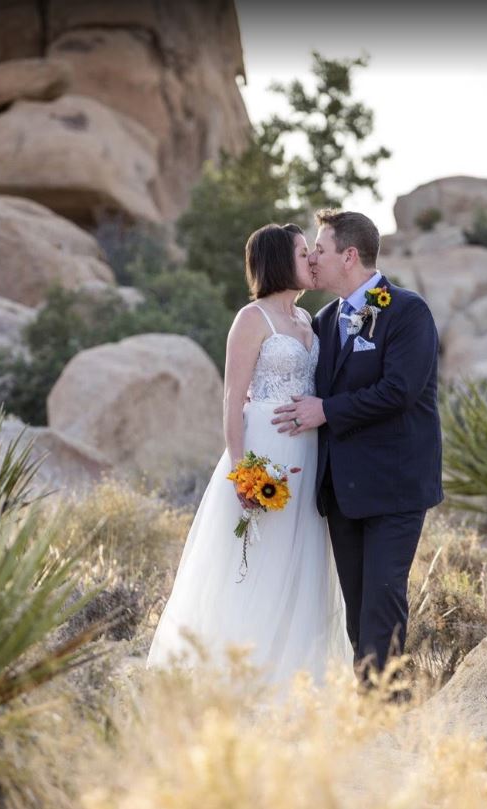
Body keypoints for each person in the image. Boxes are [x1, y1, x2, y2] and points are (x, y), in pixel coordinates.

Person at [147, 223, 350, 685]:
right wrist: (242, 473)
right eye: (304, 253)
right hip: (264, 451)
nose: (312, 260)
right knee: (257, 559)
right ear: (280, 260)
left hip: (308, 456)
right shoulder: (251, 319)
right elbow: (232, 398)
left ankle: (295, 673)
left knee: (302, 560)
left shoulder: (308, 321)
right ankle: (237, 677)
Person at [272, 210, 443, 683]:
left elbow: (400, 390)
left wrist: (327, 409)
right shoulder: (325, 321)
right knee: (355, 610)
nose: (311, 260)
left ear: (349, 256)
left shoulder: (408, 312)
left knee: (382, 603)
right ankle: (372, 708)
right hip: (342, 492)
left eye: (320, 251)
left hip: (396, 487)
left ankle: (384, 711)